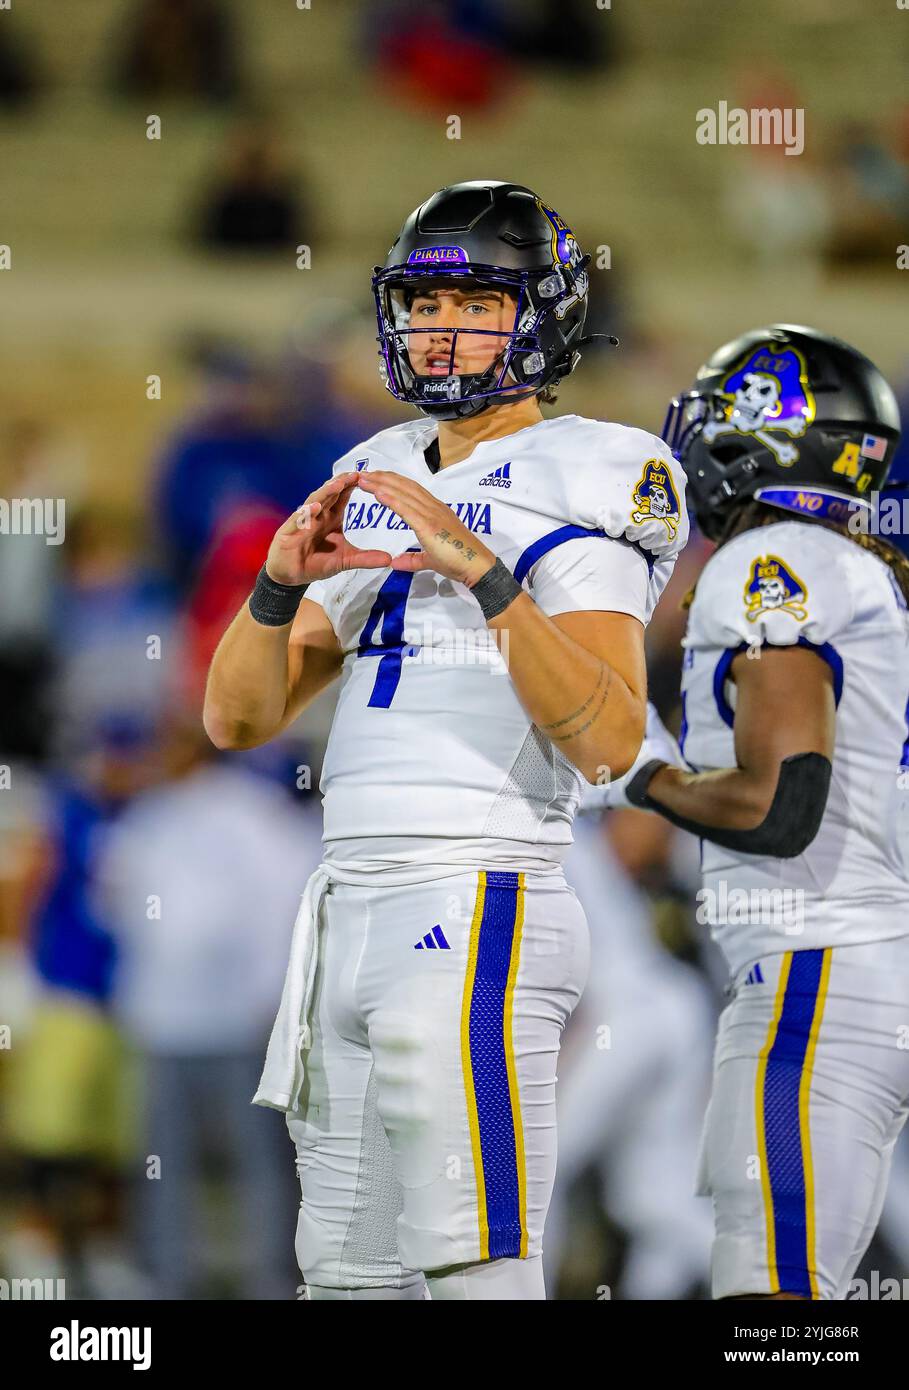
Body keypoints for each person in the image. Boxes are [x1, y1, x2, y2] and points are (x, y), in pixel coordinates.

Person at [203, 180, 688, 1300]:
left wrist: (488, 579)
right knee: (345, 1273)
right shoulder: (374, 463)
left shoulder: (604, 466)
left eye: (473, 302)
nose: (439, 329)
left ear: (544, 314)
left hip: (475, 890)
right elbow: (234, 716)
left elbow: (611, 738)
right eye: (422, 305)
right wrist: (275, 586)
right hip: (345, 899)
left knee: (478, 1268)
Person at [604, 324, 909, 1300]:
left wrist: (641, 771)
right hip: (857, 962)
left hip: (818, 969)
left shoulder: (773, 558)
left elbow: (782, 804)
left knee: (774, 1303)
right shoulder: (860, 569)